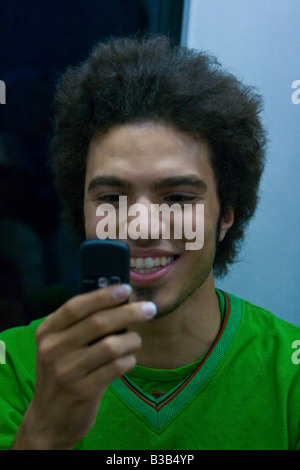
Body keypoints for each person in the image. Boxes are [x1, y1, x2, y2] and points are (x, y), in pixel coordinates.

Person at [0, 35, 299, 451]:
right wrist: (45, 433)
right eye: (110, 198)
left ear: (227, 212)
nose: (140, 228)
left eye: (177, 197)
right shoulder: (13, 366)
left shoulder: (291, 374)